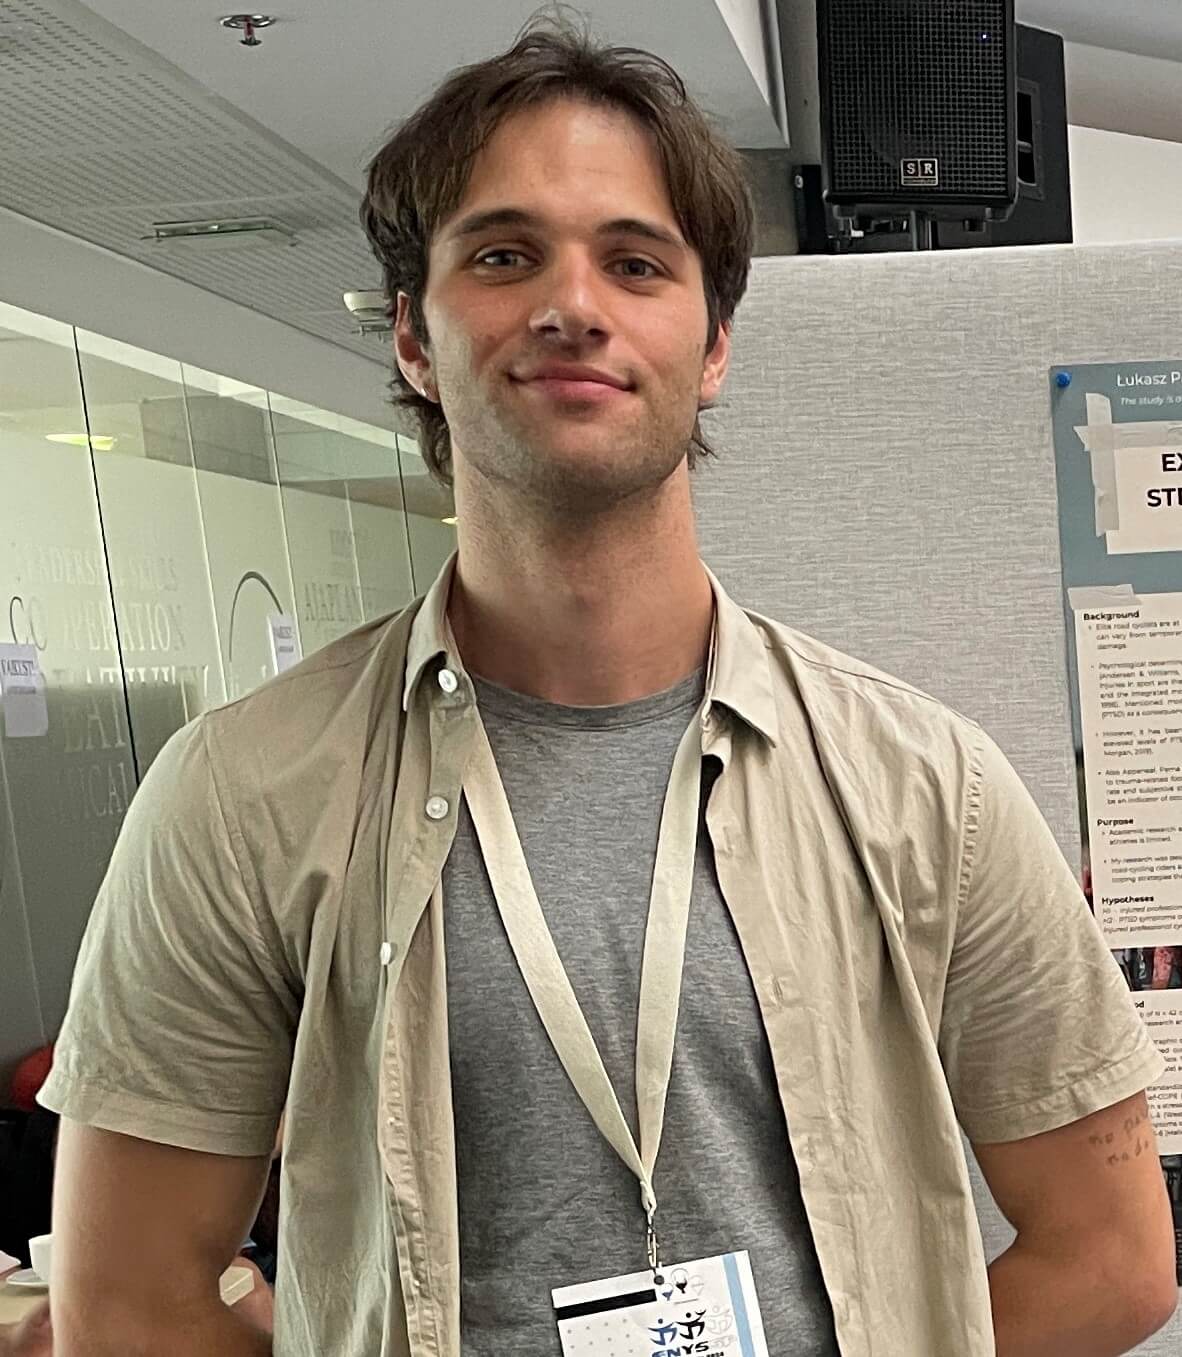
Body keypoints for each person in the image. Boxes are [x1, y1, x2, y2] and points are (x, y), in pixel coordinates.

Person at [37, 17, 1177, 1357]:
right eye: (503, 255)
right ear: (412, 337)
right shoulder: (243, 795)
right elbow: (128, 1303)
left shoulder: (926, 786)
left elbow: (1112, 1258)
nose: (572, 305)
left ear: (712, 344)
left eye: (635, 262)